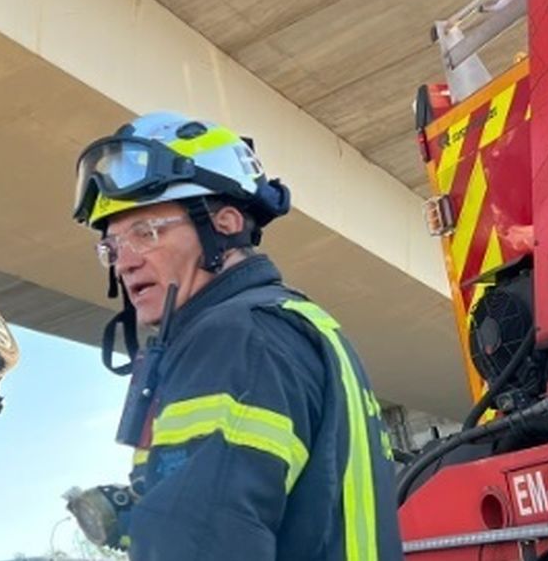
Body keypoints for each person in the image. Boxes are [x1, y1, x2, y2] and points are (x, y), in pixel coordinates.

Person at [72, 111, 403, 561]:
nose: (124, 262)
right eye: (111, 247)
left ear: (224, 224)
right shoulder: (291, 321)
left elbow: (199, 540)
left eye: (146, 232)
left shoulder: (238, 337)